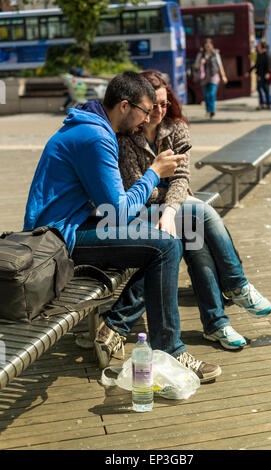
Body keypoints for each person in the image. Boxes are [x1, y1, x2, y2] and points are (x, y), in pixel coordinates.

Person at [23, 71, 222, 384]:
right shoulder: (96, 137)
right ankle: (169, 349)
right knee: (166, 246)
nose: (146, 121)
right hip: (59, 238)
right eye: (144, 111)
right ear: (125, 106)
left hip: (74, 223)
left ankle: (120, 326)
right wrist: (154, 172)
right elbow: (117, 212)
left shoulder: (92, 126)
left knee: (169, 235)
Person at [98, 69, 271, 354]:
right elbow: (136, 189)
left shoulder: (176, 127)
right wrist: (168, 197)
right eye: (153, 105)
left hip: (173, 211)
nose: (159, 110)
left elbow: (182, 178)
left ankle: (218, 321)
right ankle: (232, 294)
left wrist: (169, 209)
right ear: (139, 102)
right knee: (199, 214)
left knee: (192, 235)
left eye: (165, 104)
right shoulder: (126, 135)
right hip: (137, 212)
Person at [193, 38, 227, 118]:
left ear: (212, 45)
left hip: (213, 76)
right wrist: (201, 62)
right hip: (204, 77)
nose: (208, 46)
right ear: (204, 46)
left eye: (209, 45)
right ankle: (208, 110)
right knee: (206, 95)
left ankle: (212, 110)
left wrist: (224, 76)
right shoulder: (201, 55)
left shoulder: (215, 54)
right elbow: (195, 66)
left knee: (211, 93)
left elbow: (220, 66)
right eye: (206, 45)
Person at [246, 39, 271, 110]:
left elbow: (269, 65)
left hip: (265, 75)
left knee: (260, 88)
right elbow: (256, 65)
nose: (257, 46)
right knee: (264, 89)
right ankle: (266, 104)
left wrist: (268, 73)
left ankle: (263, 104)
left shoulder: (267, 54)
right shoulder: (259, 54)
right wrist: (249, 71)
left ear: (262, 46)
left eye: (259, 44)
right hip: (260, 75)